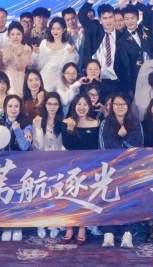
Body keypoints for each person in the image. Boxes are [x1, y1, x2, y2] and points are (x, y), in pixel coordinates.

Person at [98, 94, 141, 248]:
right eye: (117, 104)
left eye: (123, 104)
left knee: (129, 201)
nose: (120, 107)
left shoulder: (135, 123)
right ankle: (108, 233)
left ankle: (127, 233)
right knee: (109, 201)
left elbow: (139, 147)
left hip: (130, 169)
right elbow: (104, 148)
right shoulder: (105, 124)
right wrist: (119, 138)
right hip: (110, 169)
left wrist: (124, 138)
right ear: (112, 106)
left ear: (128, 106)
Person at [60, 96, 101, 244]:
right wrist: (70, 130)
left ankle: (82, 228)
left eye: (85, 104)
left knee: (85, 198)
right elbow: (69, 146)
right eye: (79, 104)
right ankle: (69, 228)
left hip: (89, 166)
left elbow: (94, 146)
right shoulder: (67, 122)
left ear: (89, 107)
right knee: (69, 198)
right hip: (71, 167)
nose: (82, 107)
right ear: (74, 105)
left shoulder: (95, 123)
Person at [33, 17, 78, 95]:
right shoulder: (44, 43)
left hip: (59, 81)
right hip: (43, 78)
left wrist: (73, 53)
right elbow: (36, 63)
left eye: (58, 29)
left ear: (63, 30)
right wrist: (35, 53)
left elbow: (71, 66)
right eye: (53, 28)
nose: (55, 31)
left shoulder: (68, 47)